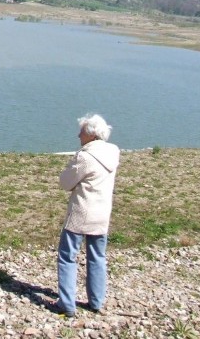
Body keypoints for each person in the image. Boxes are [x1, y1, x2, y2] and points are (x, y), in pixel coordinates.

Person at [56, 113, 120, 317]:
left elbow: (65, 183)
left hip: (81, 214)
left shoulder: (84, 157)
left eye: (81, 131)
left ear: (91, 135)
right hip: (102, 214)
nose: (78, 135)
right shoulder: (114, 152)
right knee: (97, 257)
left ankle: (67, 304)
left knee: (67, 257)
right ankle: (96, 301)